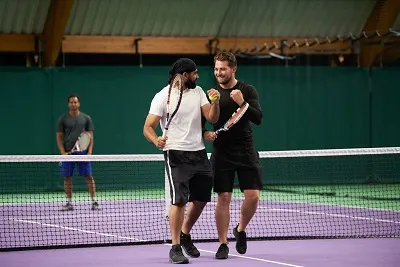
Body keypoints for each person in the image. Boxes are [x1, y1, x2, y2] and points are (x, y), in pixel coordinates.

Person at [143, 58, 220, 264]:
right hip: (176, 154)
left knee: (202, 199)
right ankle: (175, 247)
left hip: (199, 153)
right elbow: (147, 127)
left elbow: (212, 118)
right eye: (194, 73)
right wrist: (156, 140)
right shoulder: (162, 97)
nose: (197, 76)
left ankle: (185, 233)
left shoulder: (199, 91)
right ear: (185, 75)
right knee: (179, 200)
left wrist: (216, 102)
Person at [202, 52, 263, 259]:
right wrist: (205, 133)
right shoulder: (211, 94)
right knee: (224, 197)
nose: (219, 73)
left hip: (246, 151)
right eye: (216, 69)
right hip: (222, 153)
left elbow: (258, 118)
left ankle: (240, 229)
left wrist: (242, 103)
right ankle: (222, 243)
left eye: (223, 69)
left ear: (233, 69)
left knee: (253, 198)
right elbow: (203, 122)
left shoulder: (247, 90)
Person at [56, 94, 100, 211]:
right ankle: (69, 203)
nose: (73, 104)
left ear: (79, 103)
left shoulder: (86, 118)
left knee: (89, 176)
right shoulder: (63, 119)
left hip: (83, 153)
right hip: (67, 153)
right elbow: (59, 136)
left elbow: (90, 136)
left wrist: (89, 151)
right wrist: (62, 152)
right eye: (71, 102)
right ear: (68, 104)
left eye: (75, 102)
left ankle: (94, 202)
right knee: (67, 177)